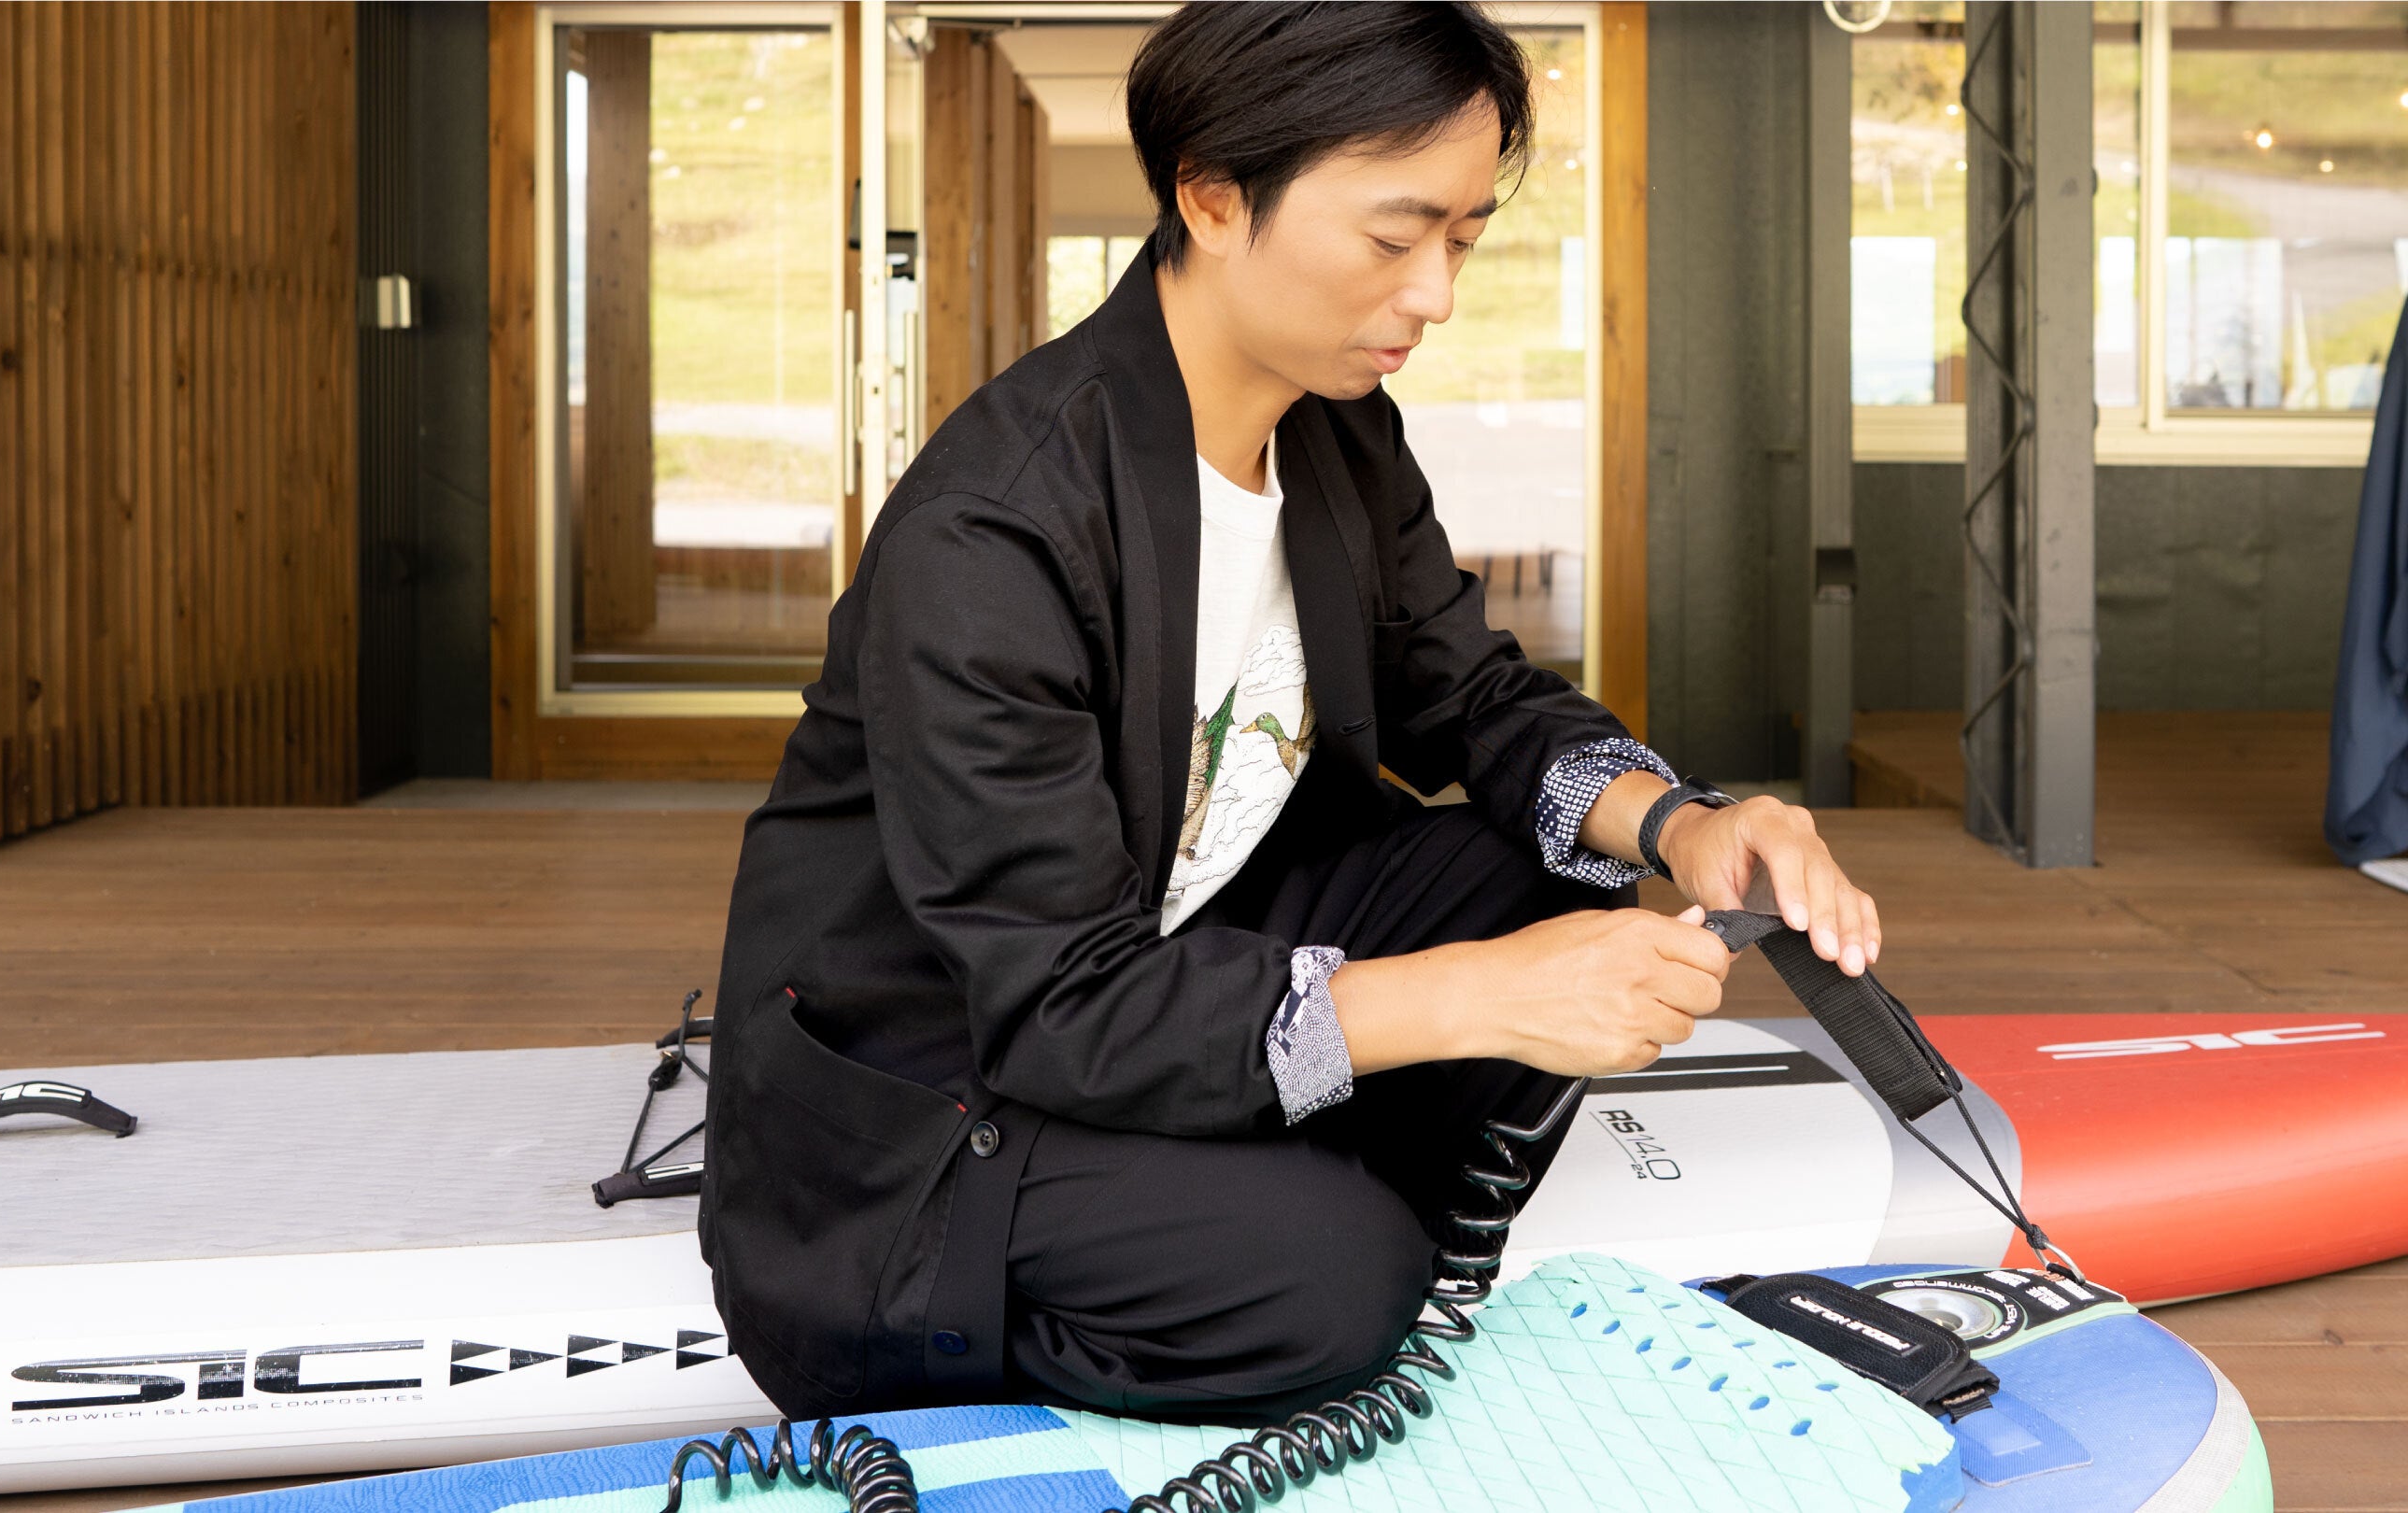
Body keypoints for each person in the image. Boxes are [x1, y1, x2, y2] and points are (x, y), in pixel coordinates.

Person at [701, 0, 1884, 1427]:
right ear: (1211, 197)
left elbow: (1469, 691)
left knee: (1547, 874)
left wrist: (1688, 826)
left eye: (1464, 240)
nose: (1436, 295)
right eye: (1395, 238)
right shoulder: (997, 533)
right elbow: (1056, 999)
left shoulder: (1331, 427)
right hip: (954, 1082)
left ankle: (1262, 1187)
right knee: (1337, 1283)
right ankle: (1267, 1232)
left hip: (1170, 952)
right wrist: (1480, 996)